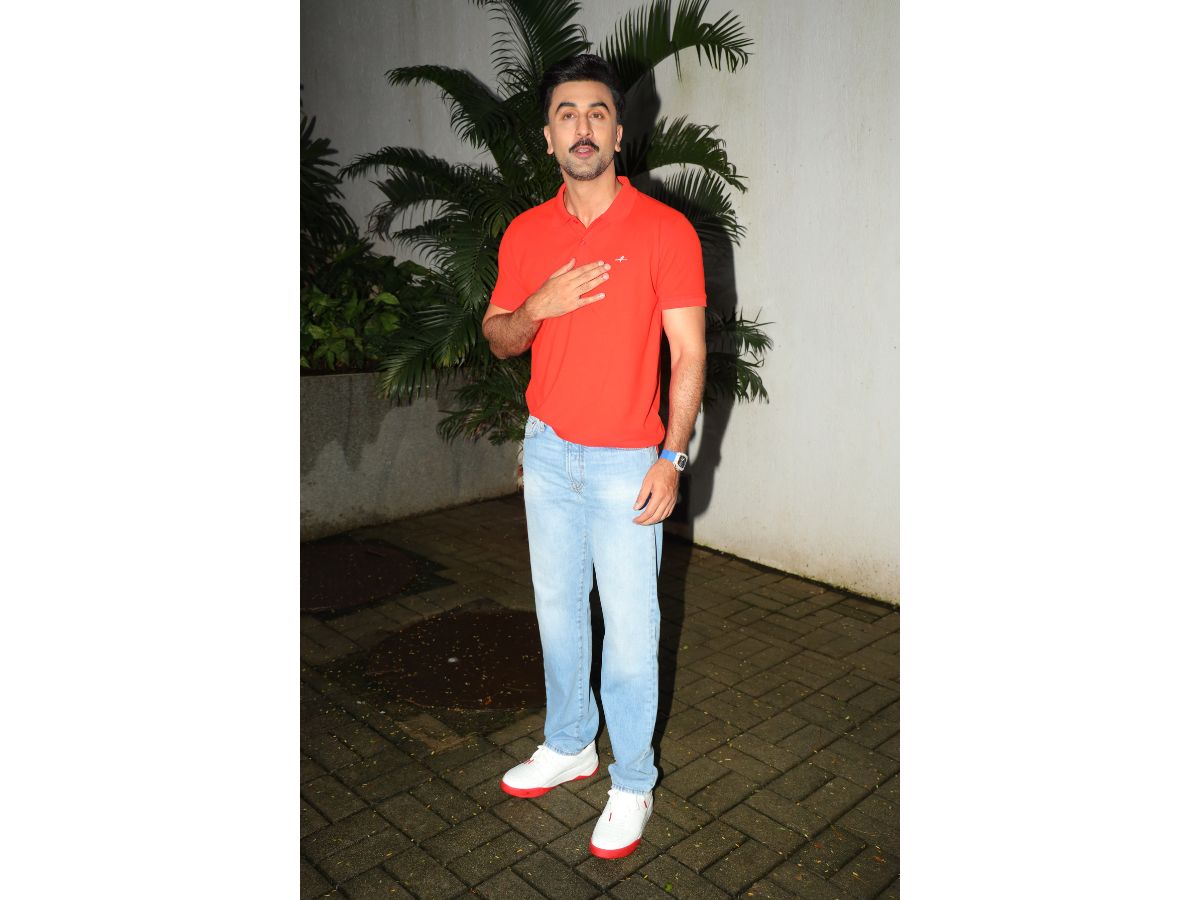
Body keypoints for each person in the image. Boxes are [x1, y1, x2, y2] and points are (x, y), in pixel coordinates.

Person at [481, 53, 707, 859]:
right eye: (567, 114)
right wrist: (537, 306)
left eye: (598, 113)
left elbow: (689, 353)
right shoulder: (526, 233)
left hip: (627, 463)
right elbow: (499, 335)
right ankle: (572, 742)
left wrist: (671, 458)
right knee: (558, 611)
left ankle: (633, 779)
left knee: (633, 633)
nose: (583, 127)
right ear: (548, 137)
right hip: (548, 455)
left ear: (619, 133)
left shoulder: (665, 231)